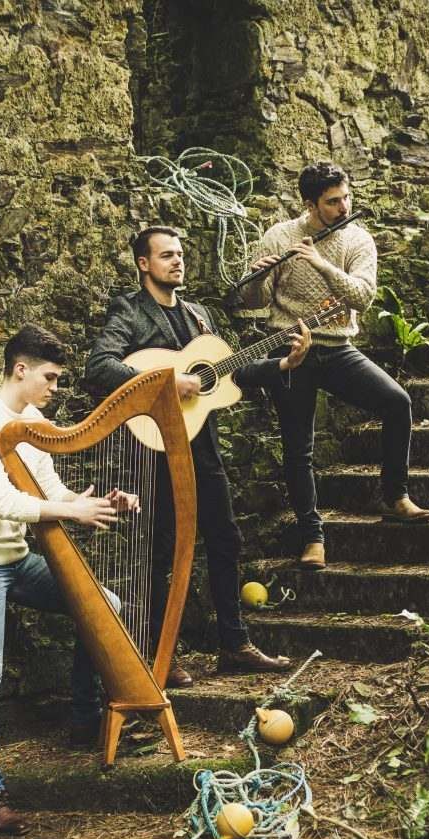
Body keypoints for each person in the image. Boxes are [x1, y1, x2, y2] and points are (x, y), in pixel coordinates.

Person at [85, 226, 311, 684]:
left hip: (200, 444)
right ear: (144, 264)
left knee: (225, 537)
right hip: (154, 444)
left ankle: (235, 644)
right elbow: (100, 366)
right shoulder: (129, 311)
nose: (177, 261)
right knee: (162, 549)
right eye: (166, 255)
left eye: (181, 254)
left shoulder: (197, 314)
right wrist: (168, 382)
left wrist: (284, 363)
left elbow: (229, 371)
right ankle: (159, 654)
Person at [0, 324, 136, 834]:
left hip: (14, 557)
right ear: (20, 369)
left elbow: (48, 489)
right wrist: (70, 514)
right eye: (48, 377)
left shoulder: (35, 421)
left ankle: (85, 719)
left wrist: (96, 502)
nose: (54, 388)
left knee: (104, 604)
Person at [232, 161, 429, 572]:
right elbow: (254, 303)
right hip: (292, 350)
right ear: (310, 204)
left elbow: (362, 296)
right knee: (298, 448)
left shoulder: (357, 239)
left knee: (397, 402)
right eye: (332, 202)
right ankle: (312, 536)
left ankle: (395, 497)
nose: (344, 207)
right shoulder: (279, 235)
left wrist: (320, 263)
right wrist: (256, 277)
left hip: (338, 349)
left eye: (346, 198)